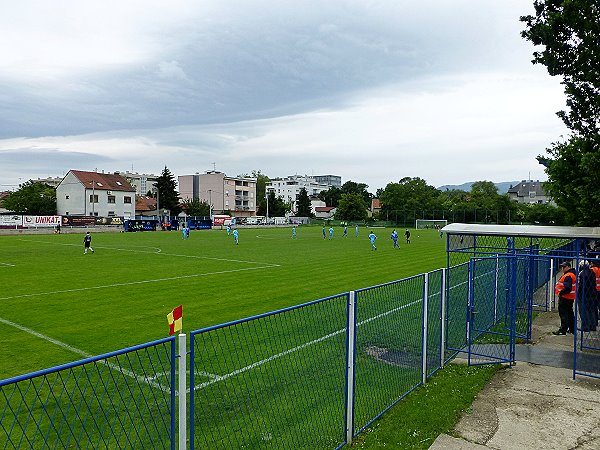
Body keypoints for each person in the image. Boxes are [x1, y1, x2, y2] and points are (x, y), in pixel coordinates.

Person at [553, 261, 576, 335]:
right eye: (562, 267)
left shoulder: (568, 276)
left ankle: (563, 330)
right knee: (569, 313)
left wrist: (560, 293)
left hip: (565, 298)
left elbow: (568, 288)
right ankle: (572, 329)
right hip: (570, 298)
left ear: (568, 267)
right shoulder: (571, 274)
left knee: (564, 314)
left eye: (564, 267)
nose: (563, 268)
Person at [577, 260, 598, 332]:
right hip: (592, 293)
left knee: (584, 310)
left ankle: (585, 326)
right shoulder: (592, 272)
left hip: (584, 294)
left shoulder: (581, 274)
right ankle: (593, 325)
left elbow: (580, 285)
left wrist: (579, 294)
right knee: (591, 310)